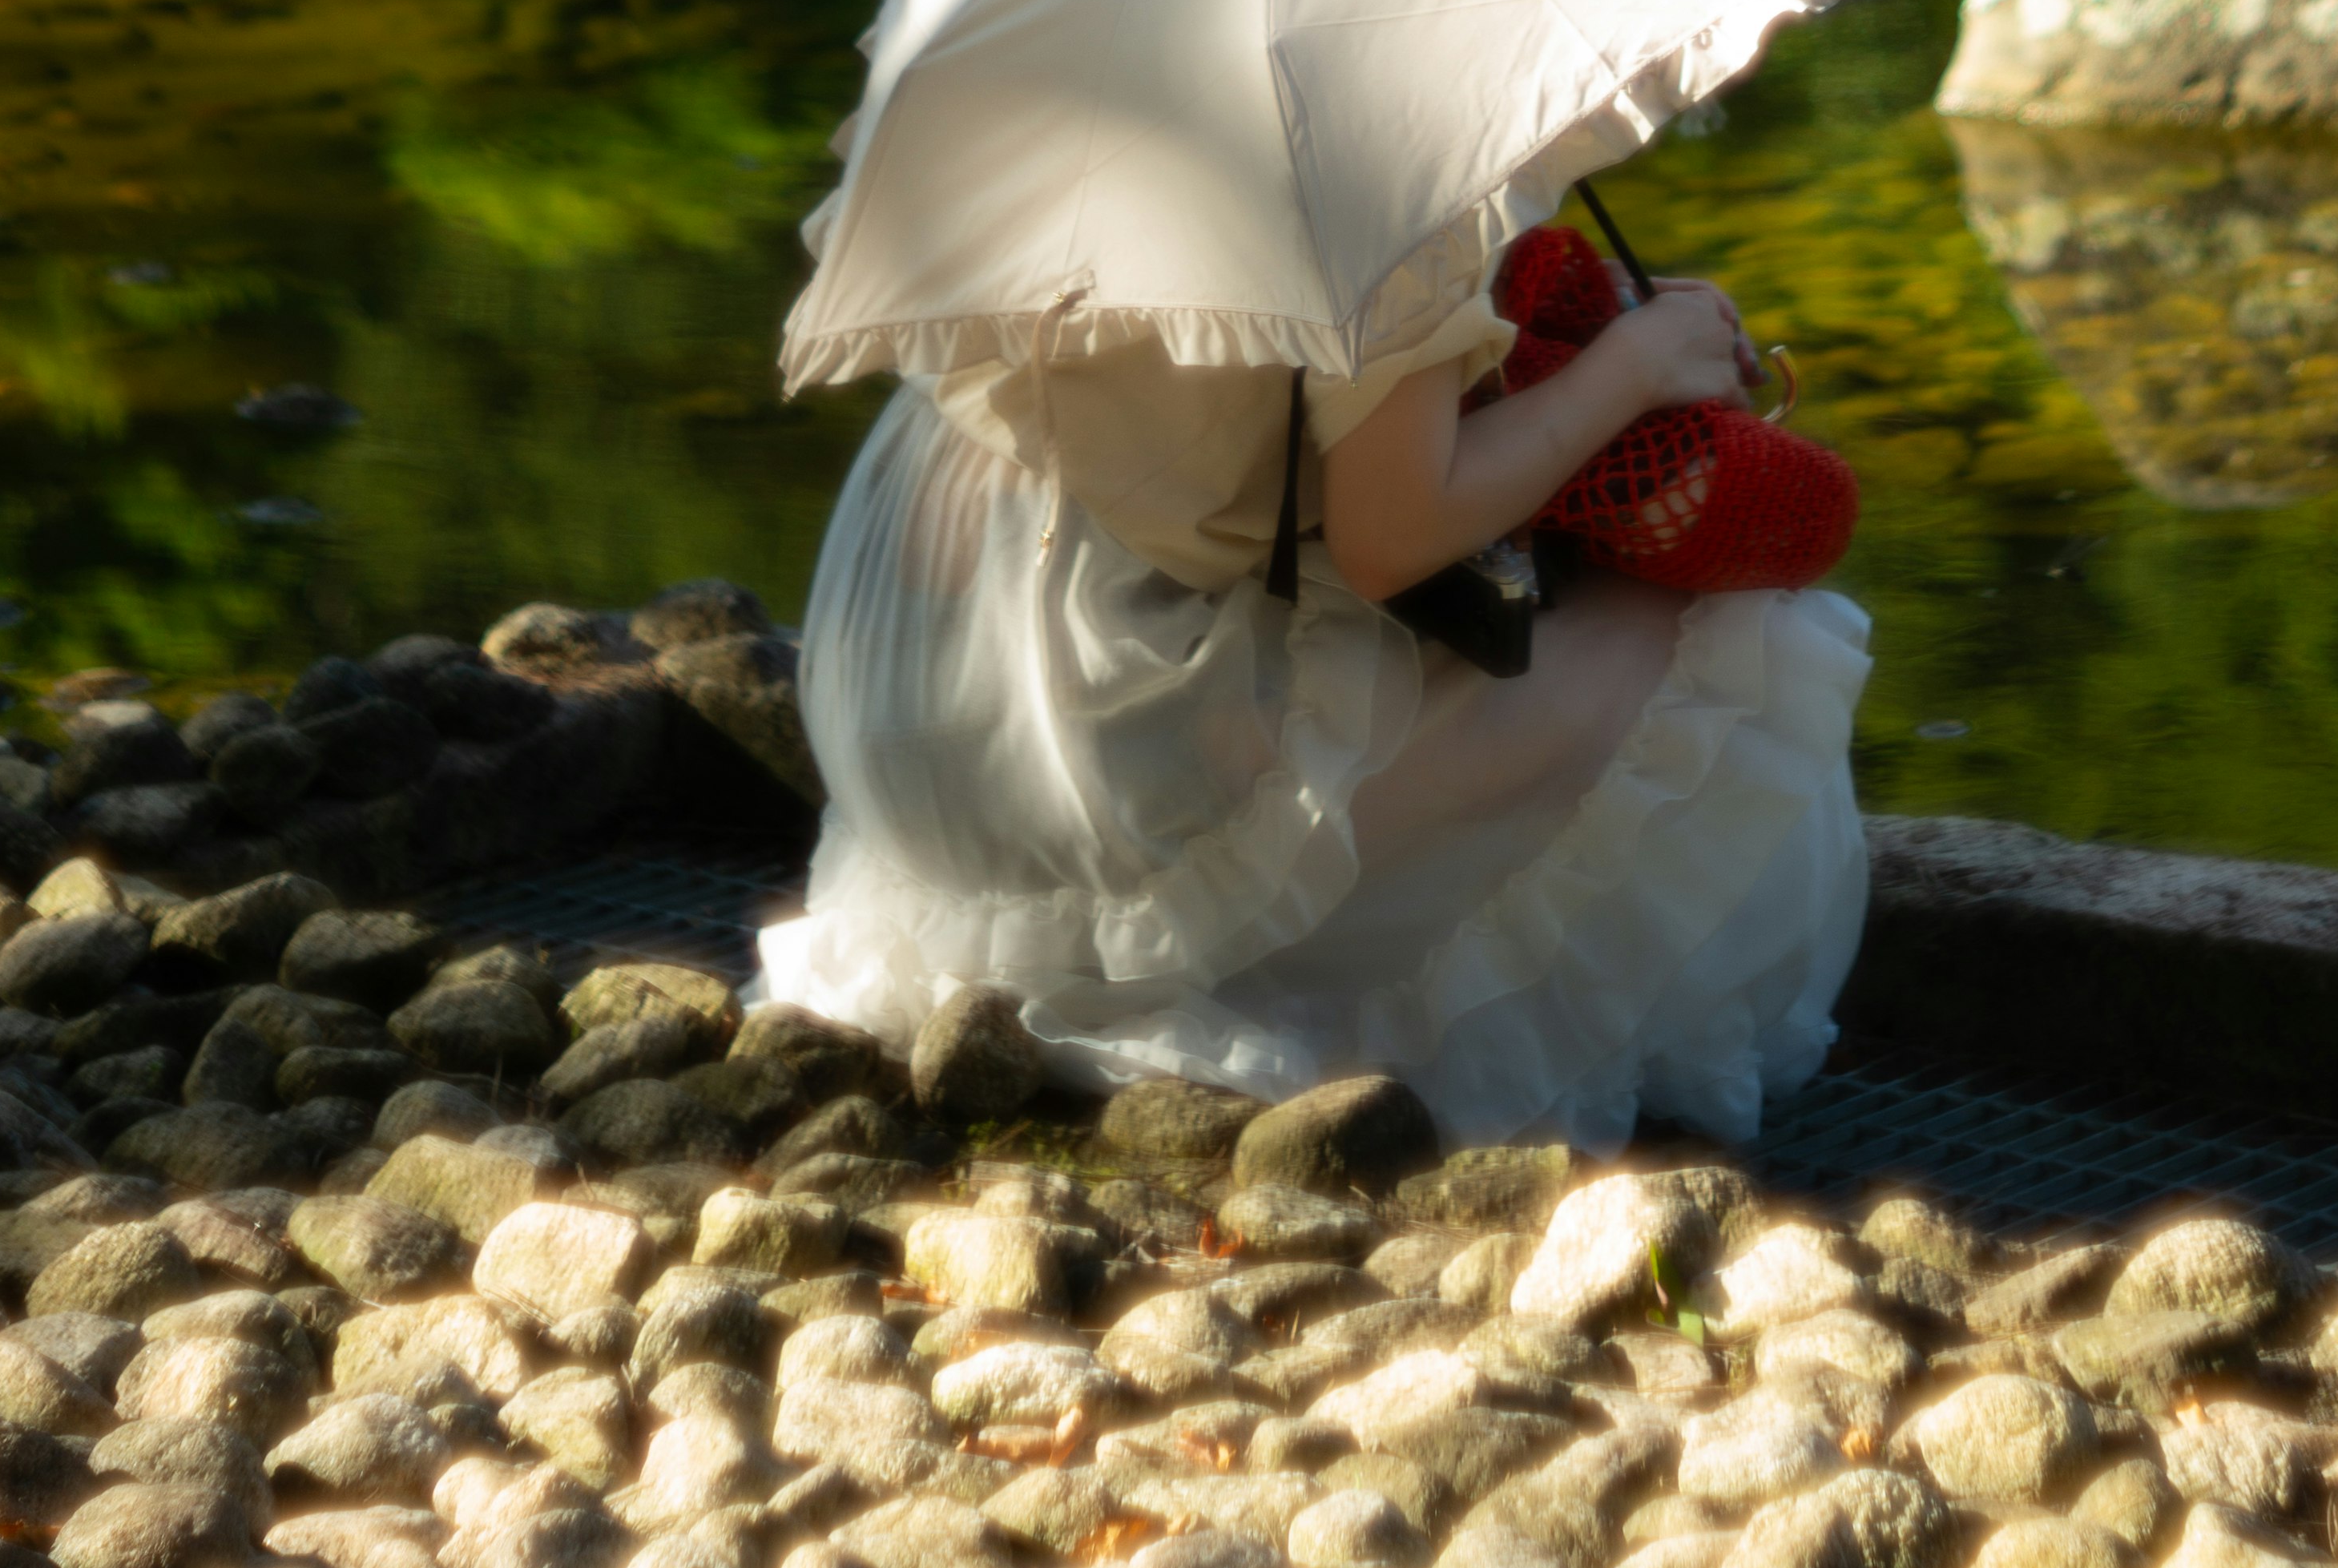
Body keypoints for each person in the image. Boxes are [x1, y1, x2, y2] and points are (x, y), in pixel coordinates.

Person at [755, 247, 1868, 1149]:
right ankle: (1342, 1017)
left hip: (919, 709)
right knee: (1727, 630)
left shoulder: (1106, 72)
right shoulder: (1387, 142)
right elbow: (1392, 535)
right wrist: (1626, 367)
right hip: (1105, 743)